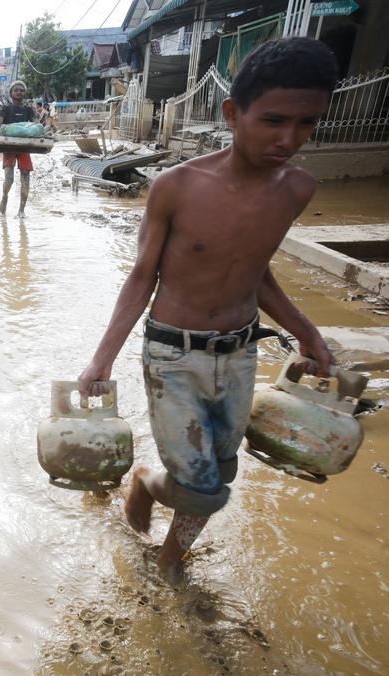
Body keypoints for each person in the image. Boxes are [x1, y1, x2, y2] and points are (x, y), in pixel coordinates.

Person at [76, 38, 339, 585]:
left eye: (307, 123)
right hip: (172, 355)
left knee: (220, 471)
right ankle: (154, 504)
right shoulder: (177, 187)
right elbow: (142, 277)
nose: (289, 139)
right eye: (273, 121)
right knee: (200, 485)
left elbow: (256, 272)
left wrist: (307, 332)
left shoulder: (297, 189)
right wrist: (102, 358)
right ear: (233, 113)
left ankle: (169, 541)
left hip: (240, 353)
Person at [0, 80, 37, 217]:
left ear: (25, 93)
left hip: (24, 148)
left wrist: (45, 133)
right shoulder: (5, 109)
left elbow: (36, 124)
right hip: (9, 147)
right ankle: (4, 197)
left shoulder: (28, 110)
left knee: (26, 178)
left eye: (22, 90)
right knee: (9, 179)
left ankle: (21, 210)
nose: (19, 92)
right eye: (16, 90)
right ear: (11, 93)